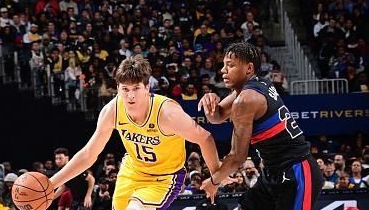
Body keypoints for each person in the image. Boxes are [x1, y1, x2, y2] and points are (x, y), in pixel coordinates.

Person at [50, 55, 220, 210]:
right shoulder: (112, 111)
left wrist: (216, 177)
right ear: (117, 88)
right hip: (132, 171)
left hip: (164, 177)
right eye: (125, 89)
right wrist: (50, 185)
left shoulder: (167, 113)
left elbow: (205, 138)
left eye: (136, 88)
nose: (130, 95)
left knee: (135, 208)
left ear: (147, 87)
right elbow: (88, 154)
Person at [198, 42, 323, 209]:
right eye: (223, 65)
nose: (223, 70)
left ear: (248, 68)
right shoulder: (258, 84)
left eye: (230, 65)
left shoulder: (246, 100)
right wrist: (209, 101)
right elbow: (217, 117)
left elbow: (237, 157)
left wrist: (214, 181)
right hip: (272, 171)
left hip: (297, 171)